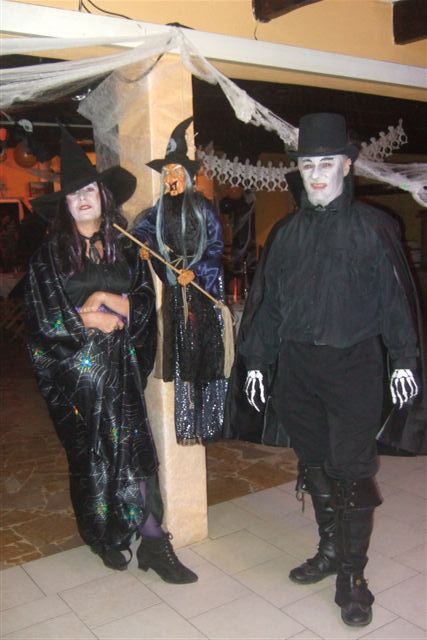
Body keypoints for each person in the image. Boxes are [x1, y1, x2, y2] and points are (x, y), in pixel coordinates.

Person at [238, 113, 423, 627]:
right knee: (316, 462)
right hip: (298, 368)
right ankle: (329, 550)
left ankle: (353, 576)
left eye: (326, 163)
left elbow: (394, 302)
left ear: (346, 165)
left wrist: (404, 359)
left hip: (354, 366)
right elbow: (268, 306)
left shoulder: (375, 228)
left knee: (352, 469)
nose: (316, 174)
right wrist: (257, 362)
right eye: (308, 164)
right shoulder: (285, 234)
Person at [25, 126, 197, 584]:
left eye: (89, 190)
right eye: (73, 194)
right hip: (78, 377)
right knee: (95, 458)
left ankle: (154, 541)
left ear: (103, 196)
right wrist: (87, 322)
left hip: (121, 369)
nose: (82, 199)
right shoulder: (49, 256)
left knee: (135, 451)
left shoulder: (125, 247)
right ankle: (106, 536)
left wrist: (105, 301)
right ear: (64, 205)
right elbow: (42, 320)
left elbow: (143, 302)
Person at [133, 117, 228, 444]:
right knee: (183, 359)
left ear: (187, 176)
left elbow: (216, 246)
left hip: (201, 292)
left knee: (204, 356)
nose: (171, 178)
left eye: (176, 172)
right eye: (166, 173)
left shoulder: (202, 208)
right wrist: (144, 246)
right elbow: (141, 232)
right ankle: (188, 423)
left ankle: (210, 422)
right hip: (176, 292)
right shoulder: (158, 210)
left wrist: (197, 271)